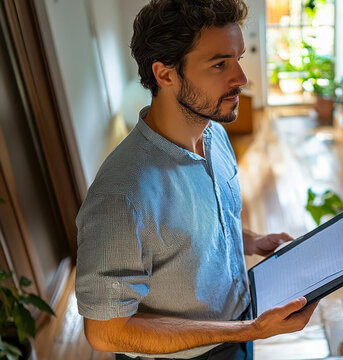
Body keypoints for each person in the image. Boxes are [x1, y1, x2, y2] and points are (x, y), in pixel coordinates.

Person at [74, 1, 317, 359]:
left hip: (238, 325)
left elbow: (197, 227)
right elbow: (106, 331)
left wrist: (251, 240)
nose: (241, 79)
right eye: (219, 64)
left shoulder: (213, 132)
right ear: (166, 74)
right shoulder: (121, 197)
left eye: (238, 59)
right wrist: (248, 330)